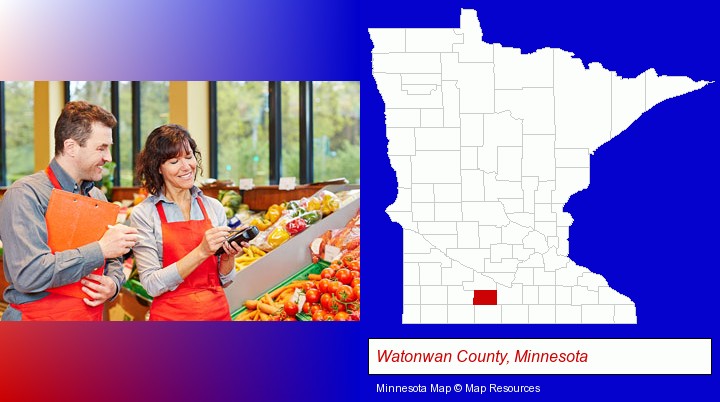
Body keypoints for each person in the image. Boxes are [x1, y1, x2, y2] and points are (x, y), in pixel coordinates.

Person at [0, 101, 139, 321]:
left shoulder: (98, 197)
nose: (109, 157)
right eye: (101, 148)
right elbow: (29, 274)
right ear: (71, 147)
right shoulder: (25, 194)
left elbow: (113, 259)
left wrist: (113, 284)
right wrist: (100, 249)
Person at [130, 124, 242, 321]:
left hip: (217, 314)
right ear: (158, 167)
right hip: (171, 318)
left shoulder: (213, 207)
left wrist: (227, 257)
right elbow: (151, 284)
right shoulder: (144, 214)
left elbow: (225, 279)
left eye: (189, 157)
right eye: (174, 161)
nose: (186, 167)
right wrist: (201, 251)